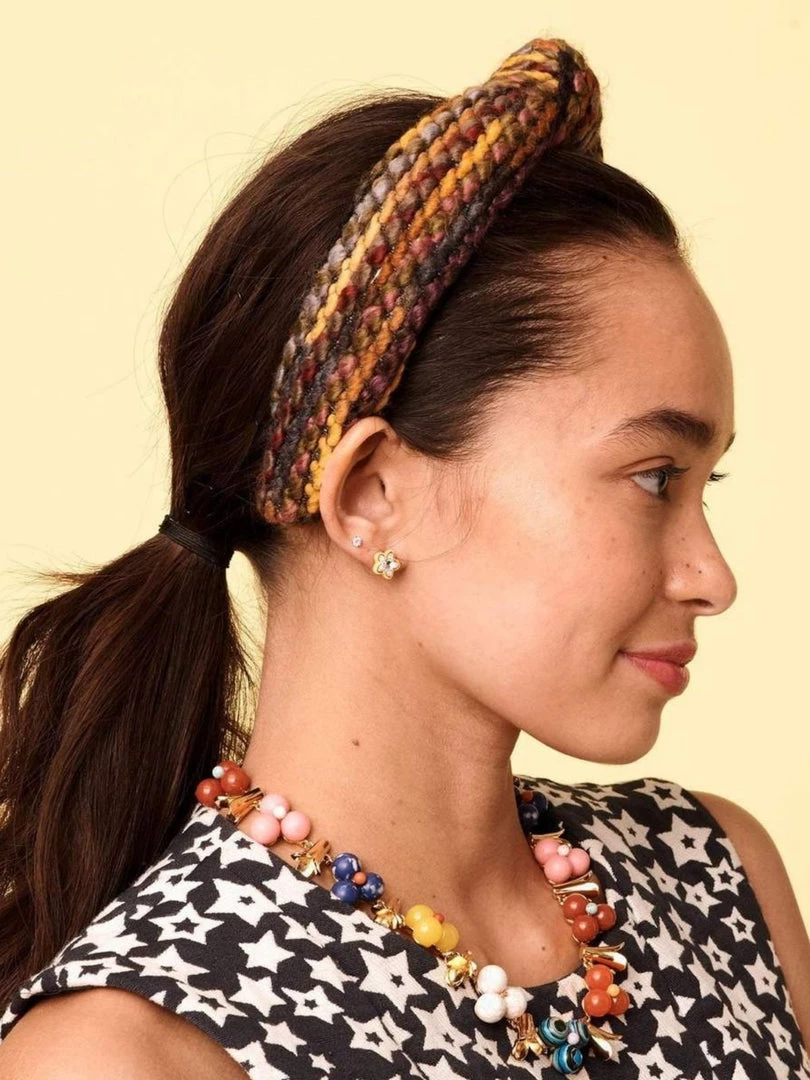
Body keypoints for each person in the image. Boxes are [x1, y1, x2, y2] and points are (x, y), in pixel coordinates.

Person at [0, 34, 807, 1080]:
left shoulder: (719, 882)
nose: (713, 576)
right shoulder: (132, 1053)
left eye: (708, 488)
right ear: (372, 493)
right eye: (655, 478)